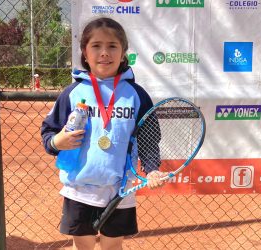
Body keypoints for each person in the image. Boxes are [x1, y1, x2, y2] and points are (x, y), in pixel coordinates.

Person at [41, 17, 167, 250]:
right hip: (80, 188)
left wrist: (152, 169)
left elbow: (149, 139)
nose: (104, 53)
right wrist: (57, 142)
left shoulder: (136, 95)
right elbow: (49, 132)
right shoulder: (73, 92)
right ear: (84, 53)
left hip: (119, 188)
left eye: (112, 46)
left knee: (112, 246)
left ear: (123, 52)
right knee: (84, 246)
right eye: (96, 46)